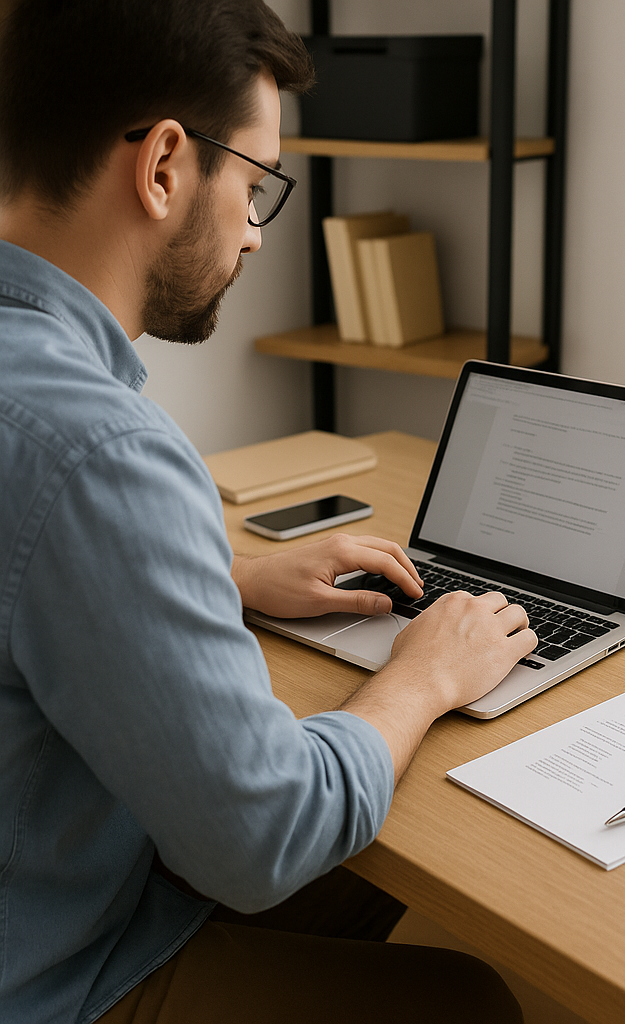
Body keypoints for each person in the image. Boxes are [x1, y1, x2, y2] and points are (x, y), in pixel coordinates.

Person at [0, 2, 536, 1022]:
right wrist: (421, 678)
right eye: (255, 185)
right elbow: (264, 838)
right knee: (468, 998)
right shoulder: (101, 450)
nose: (252, 232)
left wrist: (223, 580)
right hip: (45, 974)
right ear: (163, 166)